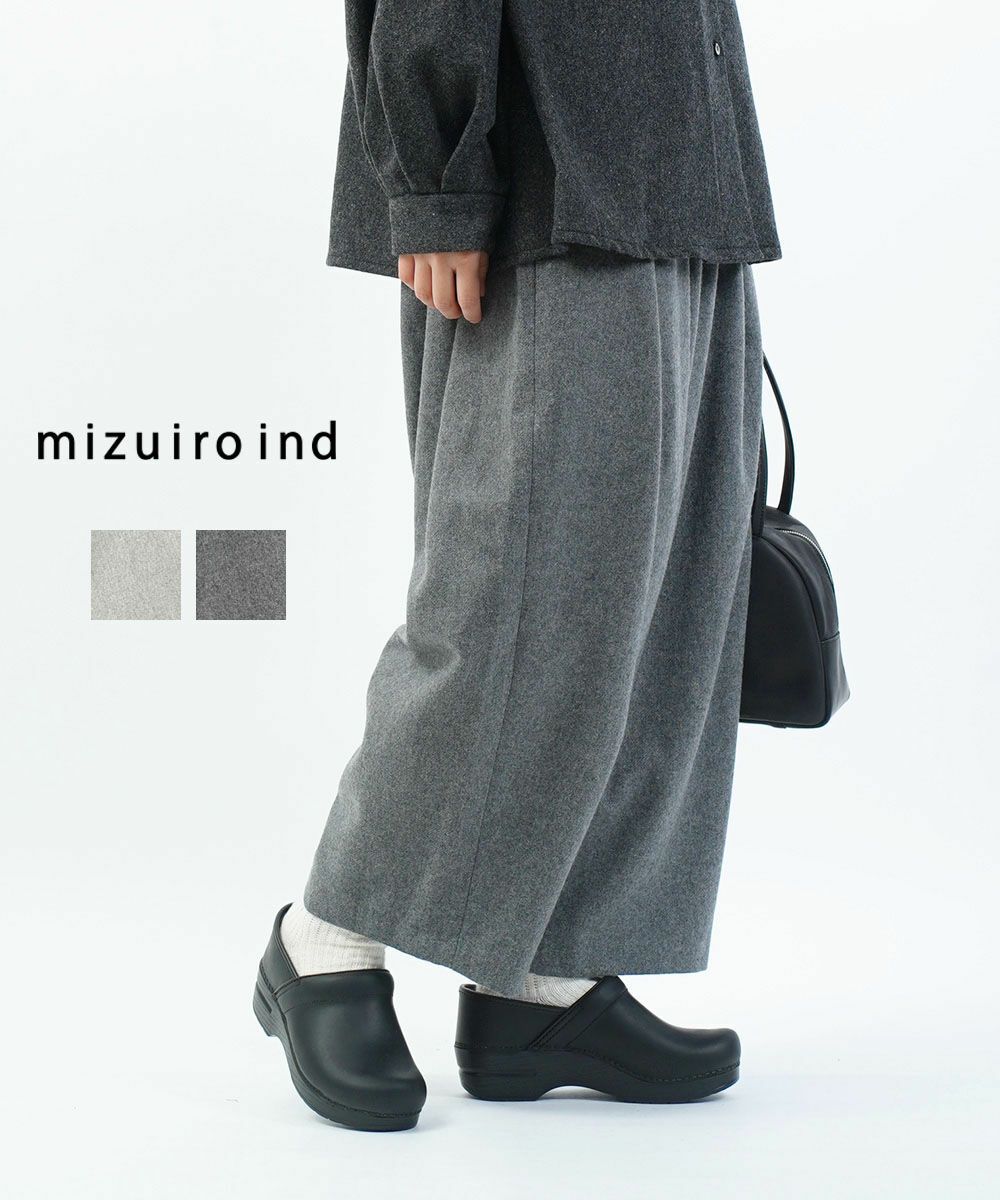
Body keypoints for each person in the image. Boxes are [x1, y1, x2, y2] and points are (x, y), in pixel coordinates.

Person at [254, 0, 780, 1131]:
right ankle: (327, 938)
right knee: (520, 595)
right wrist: (437, 182)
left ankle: (545, 982)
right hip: (546, 174)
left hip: (684, 164)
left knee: (662, 610)